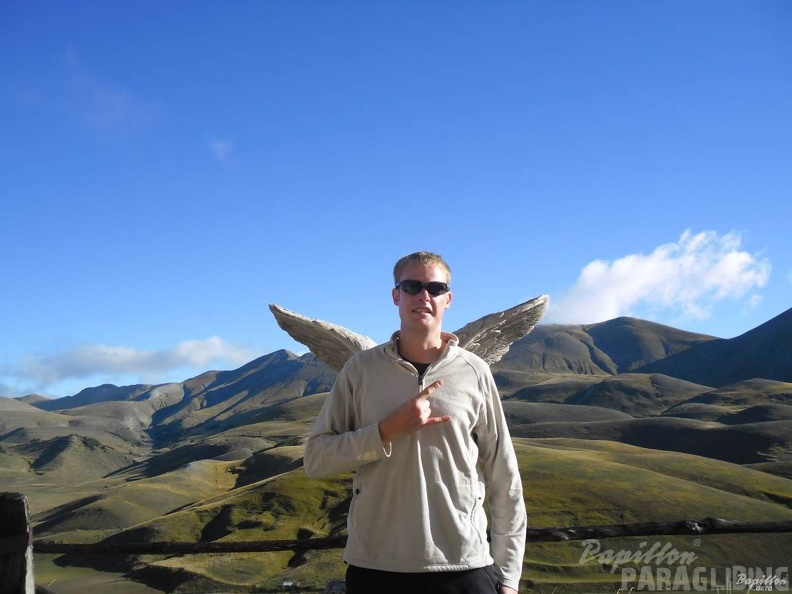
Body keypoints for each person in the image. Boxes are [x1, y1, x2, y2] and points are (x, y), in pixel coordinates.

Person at [304, 251, 526, 594]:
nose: (424, 295)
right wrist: (386, 431)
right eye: (412, 286)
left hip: (463, 565)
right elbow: (317, 459)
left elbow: (503, 475)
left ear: (448, 299)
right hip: (375, 566)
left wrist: (509, 578)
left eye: (436, 288)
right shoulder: (360, 369)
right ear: (396, 295)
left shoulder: (474, 371)